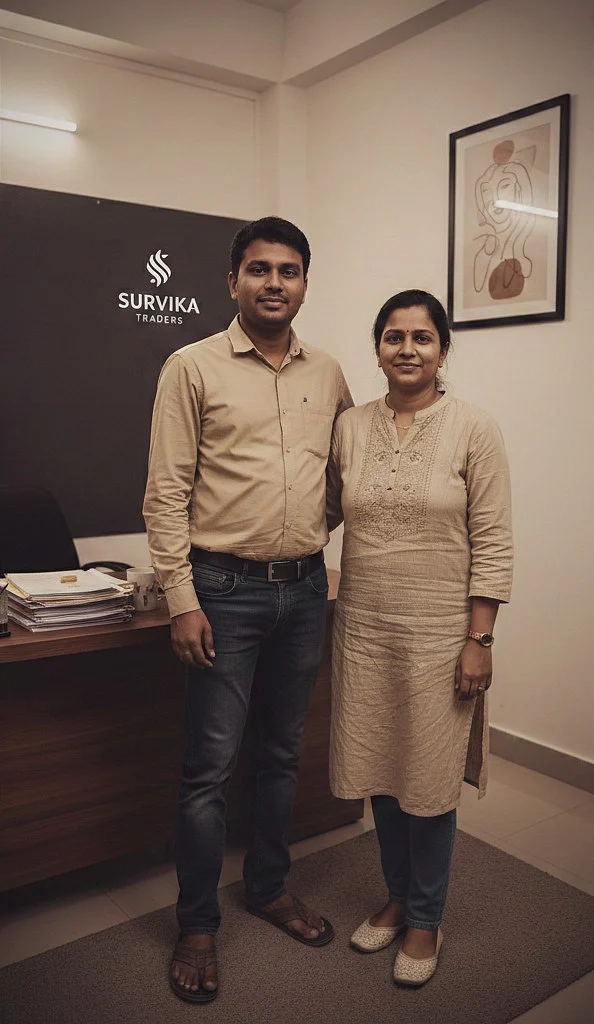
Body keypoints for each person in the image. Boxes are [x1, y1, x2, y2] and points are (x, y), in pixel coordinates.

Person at [143, 216, 353, 1004]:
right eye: (259, 269)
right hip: (221, 594)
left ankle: (268, 888)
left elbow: (342, 473)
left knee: (281, 756)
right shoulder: (190, 366)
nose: (275, 282)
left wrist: (308, 538)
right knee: (208, 770)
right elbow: (165, 492)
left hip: (304, 589)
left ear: (304, 282)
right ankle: (197, 923)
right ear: (232, 281)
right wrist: (181, 597)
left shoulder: (328, 371)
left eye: (289, 270)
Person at [326, 289, 512, 987]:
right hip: (365, 629)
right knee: (380, 770)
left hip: (441, 634)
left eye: (422, 338)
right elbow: (316, 511)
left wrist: (480, 639)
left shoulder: (474, 428)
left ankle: (427, 917)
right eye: (394, 337)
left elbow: (493, 541)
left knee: (429, 784)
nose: (407, 349)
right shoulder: (349, 427)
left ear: (442, 349)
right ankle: (399, 894)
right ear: (376, 347)